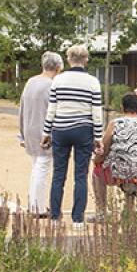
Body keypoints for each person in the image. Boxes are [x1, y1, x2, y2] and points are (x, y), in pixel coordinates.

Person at [43, 44, 104, 224]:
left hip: (60, 128)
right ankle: (77, 219)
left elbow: (51, 109)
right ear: (86, 60)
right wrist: (98, 137)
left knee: (58, 174)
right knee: (80, 175)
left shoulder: (58, 80)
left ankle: (54, 216)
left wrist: (46, 132)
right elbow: (96, 112)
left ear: (69, 59)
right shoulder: (93, 82)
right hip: (83, 129)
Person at [93, 91, 137, 216]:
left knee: (97, 171)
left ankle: (101, 211)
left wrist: (96, 160)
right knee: (131, 161)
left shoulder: (115, 124)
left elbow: (104, 148)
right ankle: (129, 207)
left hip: (121, 171)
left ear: (122, 107)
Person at [18, 52, 63, 215]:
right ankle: (38, 207)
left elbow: (22, 108)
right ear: (58, 68)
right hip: (44, 131)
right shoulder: (52, 85)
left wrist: (21, 132)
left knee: (36, 166)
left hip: (29, 128)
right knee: (42, 168)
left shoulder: (31, 82)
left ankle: (34, 203)